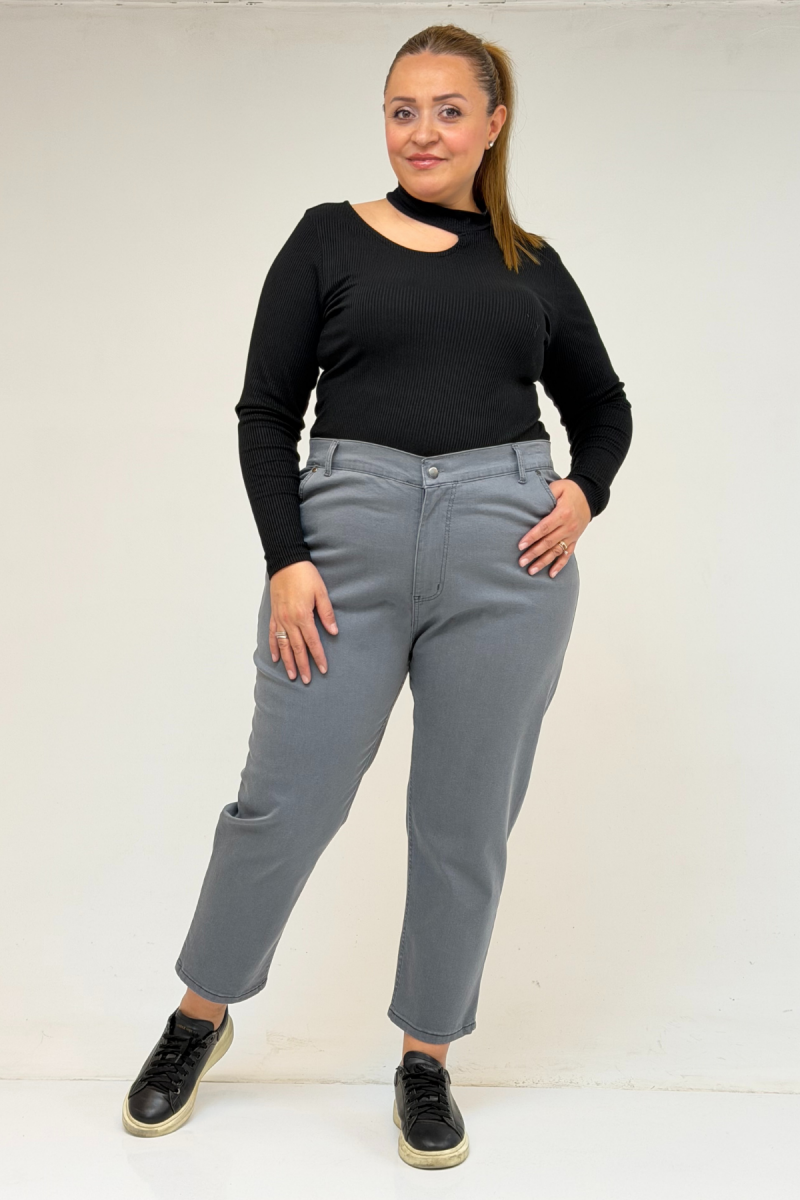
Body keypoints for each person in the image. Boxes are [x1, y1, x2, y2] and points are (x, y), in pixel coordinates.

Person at [122, 23, 632, 1170]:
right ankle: (199, 1017)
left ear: (493, 124)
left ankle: (424, 1059)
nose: (422, 132)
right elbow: (266, 411)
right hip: (340, 547)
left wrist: (581, 494)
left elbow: (602, 407)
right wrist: (286, 559)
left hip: (505, 556)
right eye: (403, 110)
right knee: (282, 803)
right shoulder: (325, 239)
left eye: (448, 110)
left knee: (462, 822)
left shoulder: (530, 264)